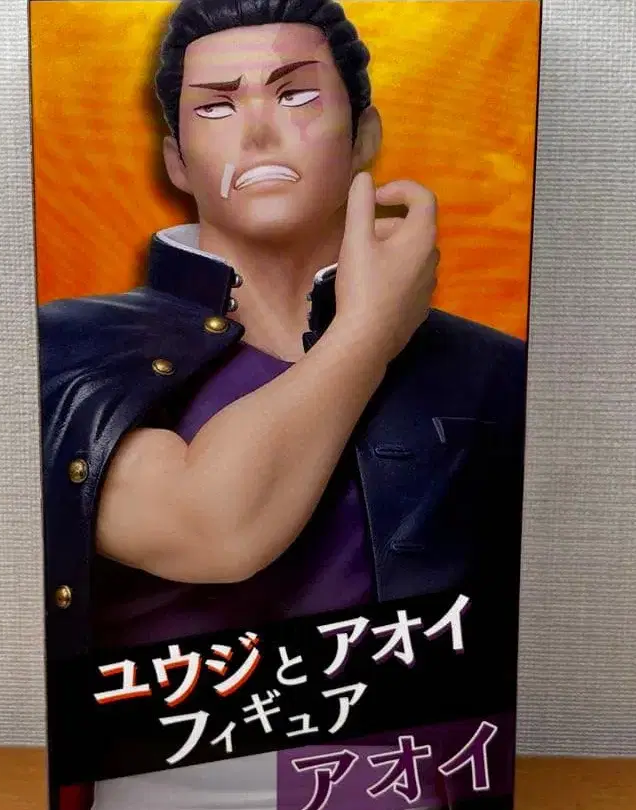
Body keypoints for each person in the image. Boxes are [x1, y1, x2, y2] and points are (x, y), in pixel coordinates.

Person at [38, 0, 527, 807]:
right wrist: (368, 331)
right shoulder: (66, 347)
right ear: (176, 159)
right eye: (217, 106)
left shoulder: (496, 372)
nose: (260, 132)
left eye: (296, 94)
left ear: (364, 135)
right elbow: (212, 528)